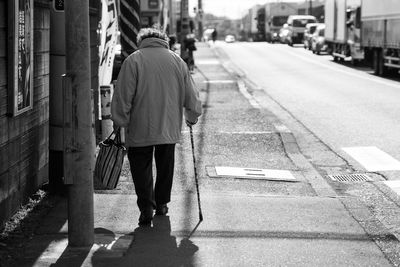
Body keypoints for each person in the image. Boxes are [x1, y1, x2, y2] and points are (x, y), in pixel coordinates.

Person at [111, 26, 202, 226]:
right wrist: (192, 115)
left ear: (141, 41)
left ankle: (146, 207)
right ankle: (161, 203)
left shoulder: (134, 59)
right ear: (164, 40)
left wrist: (120, 120)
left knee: (140, 166)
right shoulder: (177, 61)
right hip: (168, 126)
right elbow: (191, 94)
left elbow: (123, 94)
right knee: (165, 166)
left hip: (140, 126)